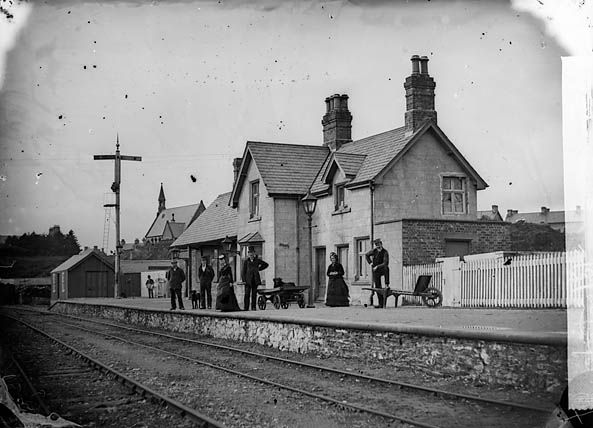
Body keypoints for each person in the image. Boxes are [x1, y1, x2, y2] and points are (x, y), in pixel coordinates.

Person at [241, 246, 269, 311]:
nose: (251, 254)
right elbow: (243, 271)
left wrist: (259, 269)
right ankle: (246, 307)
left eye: (252, 253)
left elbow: (266, 264)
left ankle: (253, 307)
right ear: (248, 254)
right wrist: (244, 280)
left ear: (254, 253)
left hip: (255, 280)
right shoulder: (246, 261)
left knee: (254, 294)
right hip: (248, 281)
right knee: (247, 294)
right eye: (249, 253)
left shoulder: (257, 260)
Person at [365, 238, 390, 308]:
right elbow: (366, 255)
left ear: (381, 244)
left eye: (378, 245)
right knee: (377, 287)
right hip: (376, 270)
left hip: (382, 268)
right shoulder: (374, 251)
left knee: (386, 269)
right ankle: (380, 304)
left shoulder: (385, 252)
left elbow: (385, 263)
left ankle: (387, 284)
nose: (377, 247)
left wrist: (377, 266)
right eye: (376, 245)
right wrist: (370, 263)